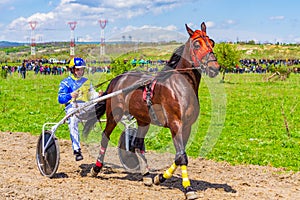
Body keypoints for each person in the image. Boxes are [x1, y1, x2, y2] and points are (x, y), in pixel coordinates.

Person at [58, 57, 101, 161]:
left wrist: (99, 95)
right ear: (72, 69)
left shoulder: (87, 82)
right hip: (72, 108)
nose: (80, 71)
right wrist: (70, 95)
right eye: (78, 69)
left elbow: (92, 95)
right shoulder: (65, 83)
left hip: (86, 107)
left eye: (82, 69)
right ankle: (77, 150)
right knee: (72, 121)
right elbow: (60, 99)